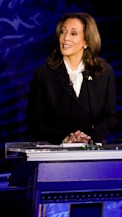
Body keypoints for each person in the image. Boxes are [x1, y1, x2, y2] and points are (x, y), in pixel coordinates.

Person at [26, 12, 117, 145]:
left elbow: (110, 117)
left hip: (92, 153)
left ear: (86, 41)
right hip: (55, 155)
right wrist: (65, 138)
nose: (65, 38)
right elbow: (35, 123)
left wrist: (88, 138)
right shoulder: (43, 74)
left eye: (73, 33)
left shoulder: (103, 72)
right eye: (63, 32)